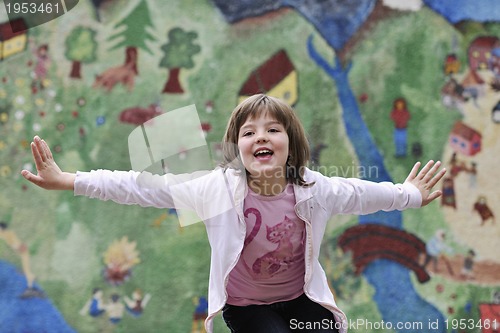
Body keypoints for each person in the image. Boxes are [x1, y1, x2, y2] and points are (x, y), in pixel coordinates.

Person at [21, 94, 446, 333]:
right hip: (246, 307)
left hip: (301, 299)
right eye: (249, 132)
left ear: (290, 144)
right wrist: (69, 179)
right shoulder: (216, 189)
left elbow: (362, 194)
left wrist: (408, 194)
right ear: (237, 148)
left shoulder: (316, 189)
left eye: (272, 129)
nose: (260, 136)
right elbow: (138, 186)